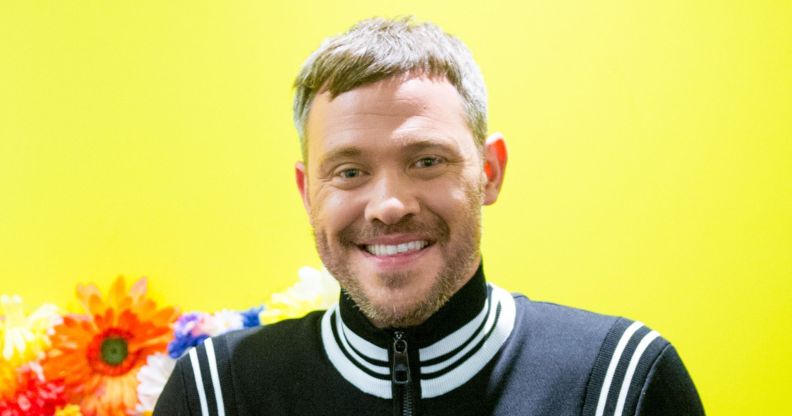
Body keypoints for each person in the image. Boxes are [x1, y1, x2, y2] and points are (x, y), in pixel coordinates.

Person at [155, 17, 704, 416]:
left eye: (426, 161)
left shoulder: (621, 384)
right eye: (349, 171)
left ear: (489, 171)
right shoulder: (214, 394)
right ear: (307, 193)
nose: (389, 205)